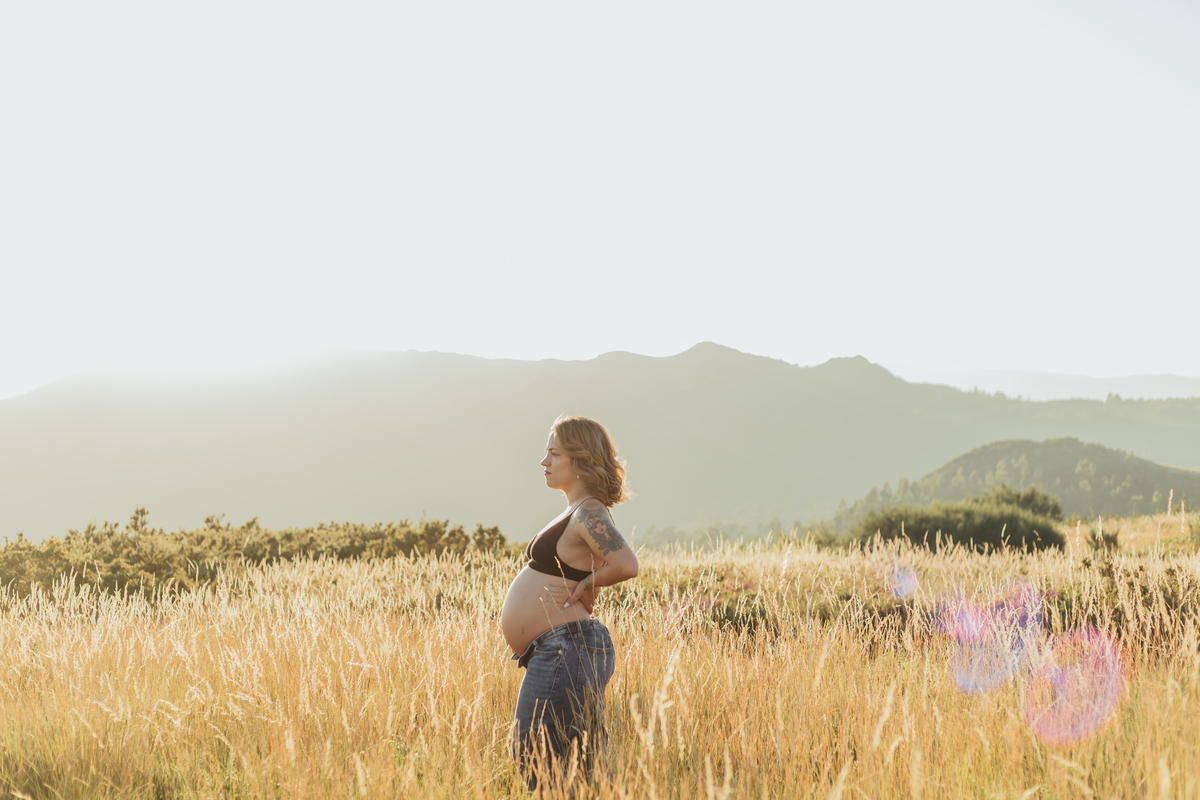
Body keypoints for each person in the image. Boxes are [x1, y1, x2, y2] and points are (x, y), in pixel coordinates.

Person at [501, 415, 639, 791]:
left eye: (553, 453)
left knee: (535, 752)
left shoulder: (588, 511)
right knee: (579, 767)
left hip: (567, 649)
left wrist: (589, 583)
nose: (544, 462)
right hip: (562, 650)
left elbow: (626, 564)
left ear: (579, 460)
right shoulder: (577, 509)